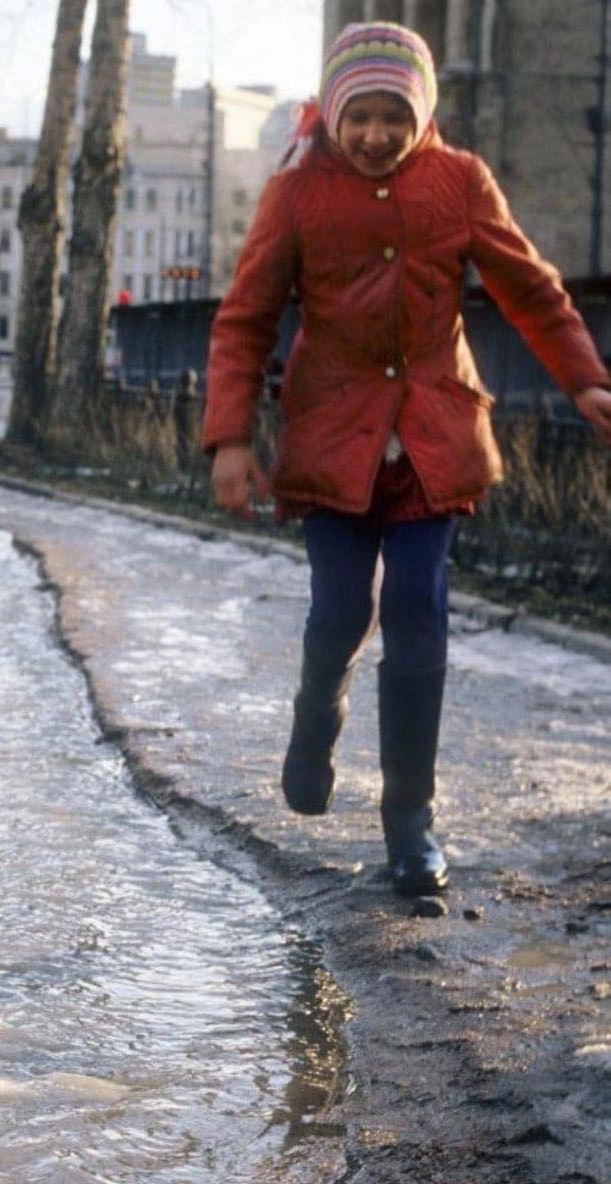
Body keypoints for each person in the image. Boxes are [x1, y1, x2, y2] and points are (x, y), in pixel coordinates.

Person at [203, 21, 611, 896]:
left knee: (421, 621)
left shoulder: (459, 181)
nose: (377, 135)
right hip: (332, 439)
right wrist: (232, 438)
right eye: (361, 116)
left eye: (395, 116)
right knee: (340, 617)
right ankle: (318, 719)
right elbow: (243, 319)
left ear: (420, 115)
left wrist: (585, 380)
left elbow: (530, 288)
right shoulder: (297, 191)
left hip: (433, 437)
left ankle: (409, 822)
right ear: (337, 114)